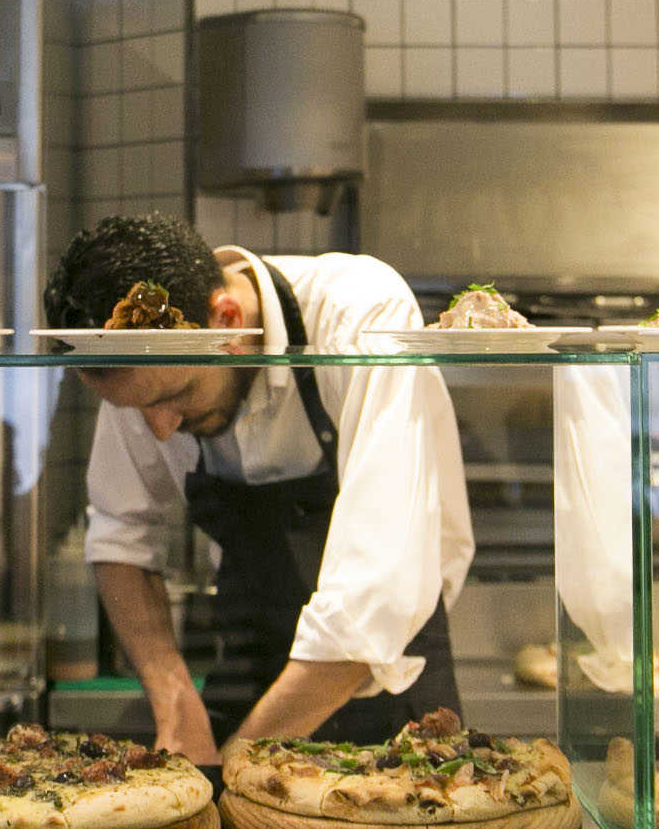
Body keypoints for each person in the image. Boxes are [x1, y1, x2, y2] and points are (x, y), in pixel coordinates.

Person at [46, 214, 471, 760]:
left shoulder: (358, 314)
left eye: (172, 398)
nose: (159, 429)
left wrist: (241, 765)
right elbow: (120, 533)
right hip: (247, 675)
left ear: (228, 322)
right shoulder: (148, 359)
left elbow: (376, 595)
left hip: (390, 690)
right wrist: (176, 704)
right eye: (135, 410)